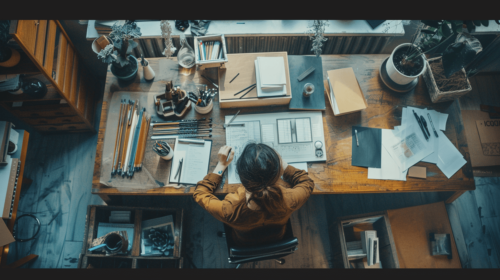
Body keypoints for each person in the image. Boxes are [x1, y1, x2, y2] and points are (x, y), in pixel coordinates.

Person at [193, 143, 314, 246]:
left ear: (241, 177)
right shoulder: (290, 199)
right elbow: (307, 182)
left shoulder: (229, 210)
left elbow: (200, 193)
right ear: (278, 173)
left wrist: (221, 166)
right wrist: (284, 165)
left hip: (243, 241)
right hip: (277, 237)